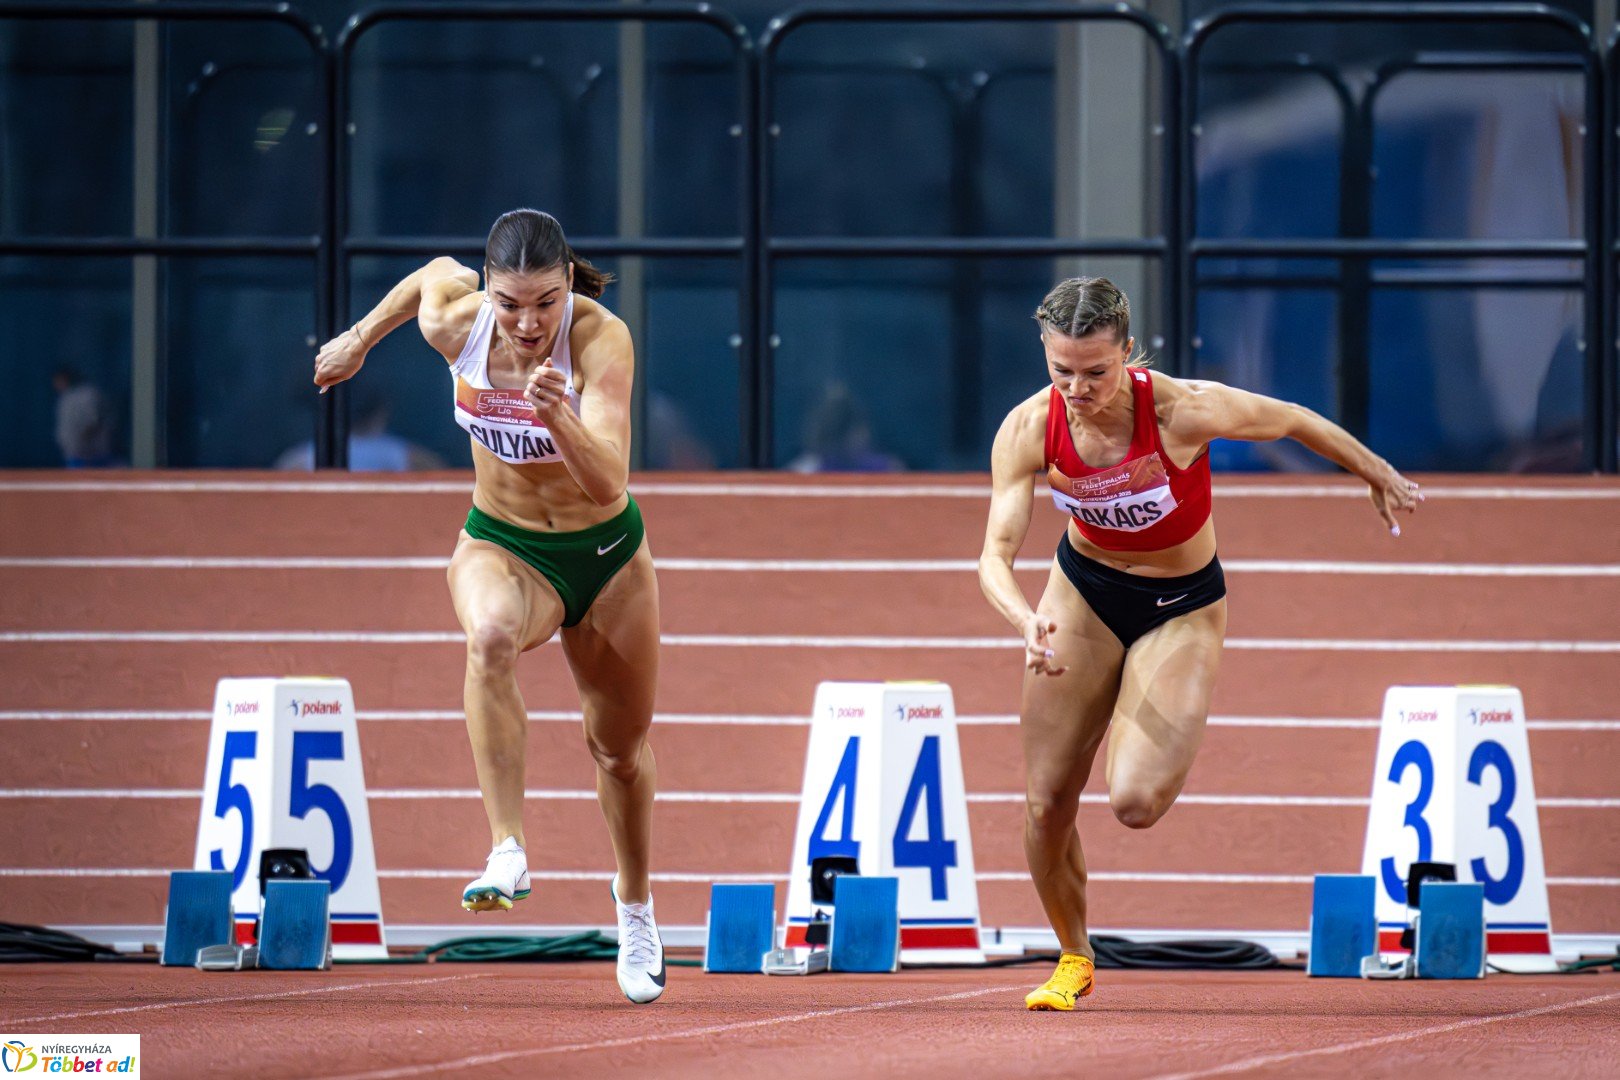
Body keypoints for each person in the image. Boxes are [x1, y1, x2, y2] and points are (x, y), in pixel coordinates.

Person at [977, 277, 1421, 1011]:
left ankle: (1146, 698)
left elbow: (1291, 419)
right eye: (1062, 372)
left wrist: (1374, 471)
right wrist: (1024, 618)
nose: (1078, 390)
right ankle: (1074, 956)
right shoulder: (1029, 428)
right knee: (1046, 803)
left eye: (1096, 372)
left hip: (1179, 604)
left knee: (1135, 801)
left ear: (1128, 352)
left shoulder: (1181, 410)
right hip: (1081, 593)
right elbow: (995, 553)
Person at [310, 209, 665, 1004]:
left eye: (544, 303)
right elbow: (428, 276)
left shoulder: (601, 340)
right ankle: (507, 848)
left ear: (568, 283)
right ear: (489, 294)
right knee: (491, 637)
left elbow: (608, 482)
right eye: (510, 304)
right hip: (502, 544)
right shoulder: (458, 324)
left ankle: (635, 905)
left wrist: (558, 413)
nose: (528, 324)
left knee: (618, 753)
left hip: (605, 558)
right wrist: (359, 339)